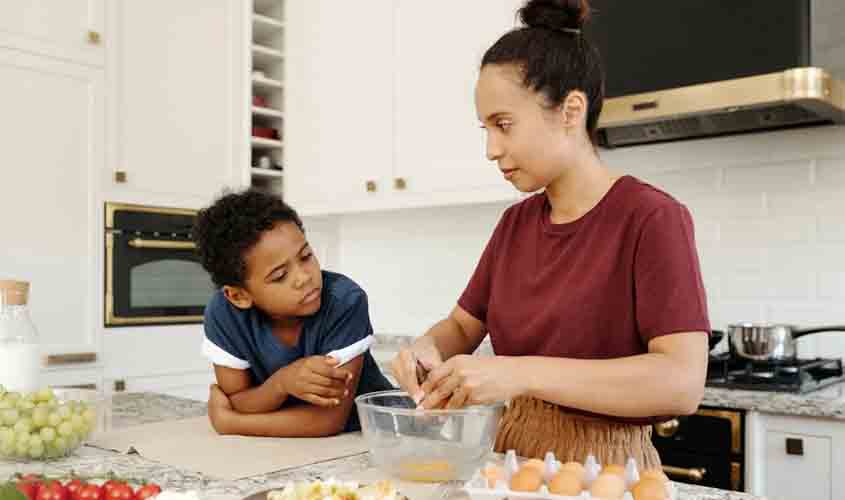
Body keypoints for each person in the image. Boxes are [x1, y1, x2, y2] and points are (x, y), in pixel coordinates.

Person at [391, 0, 709, 468]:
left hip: (606, 467)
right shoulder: (515, 224)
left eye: (503, 125)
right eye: (485, 128)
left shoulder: (651, 218)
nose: (490, 149)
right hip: (506, 458)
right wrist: (426, 350)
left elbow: (682, 383)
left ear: (570, 110)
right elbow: (462, 325)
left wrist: (519, 374)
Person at [193, 190, 393, 437]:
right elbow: (237, 400)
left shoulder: (344, 302)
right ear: (239, 296)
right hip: (288, 443)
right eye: (280, 276)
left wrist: (230, 423)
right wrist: (282, 383)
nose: (304, 277)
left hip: (369, 437)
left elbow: (329, 420)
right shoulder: (224, 315)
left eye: (306, 256)